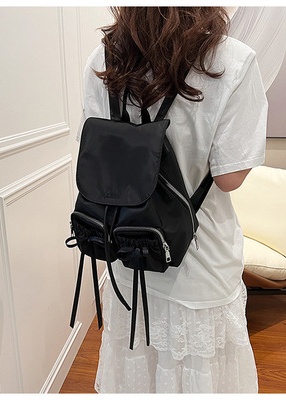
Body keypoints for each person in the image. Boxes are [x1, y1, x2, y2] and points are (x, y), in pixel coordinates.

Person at [78, 7, 268, 393]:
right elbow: (229, 178)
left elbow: (98, 151)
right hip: (199, 264)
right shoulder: (232, 59)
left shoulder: (104, 57)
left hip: (128, 254)